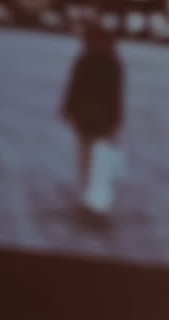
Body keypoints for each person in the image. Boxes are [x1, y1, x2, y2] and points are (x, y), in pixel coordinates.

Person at [60, 18, 125, 217]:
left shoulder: (85, 60)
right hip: (102, 118)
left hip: (86, 117)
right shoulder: (112, 61)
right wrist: (117, 119)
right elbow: (116, 94)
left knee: (87, 158)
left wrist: (67, 109)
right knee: (100, 160)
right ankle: (98, 200)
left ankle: (90, 198)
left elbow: (74, 87)